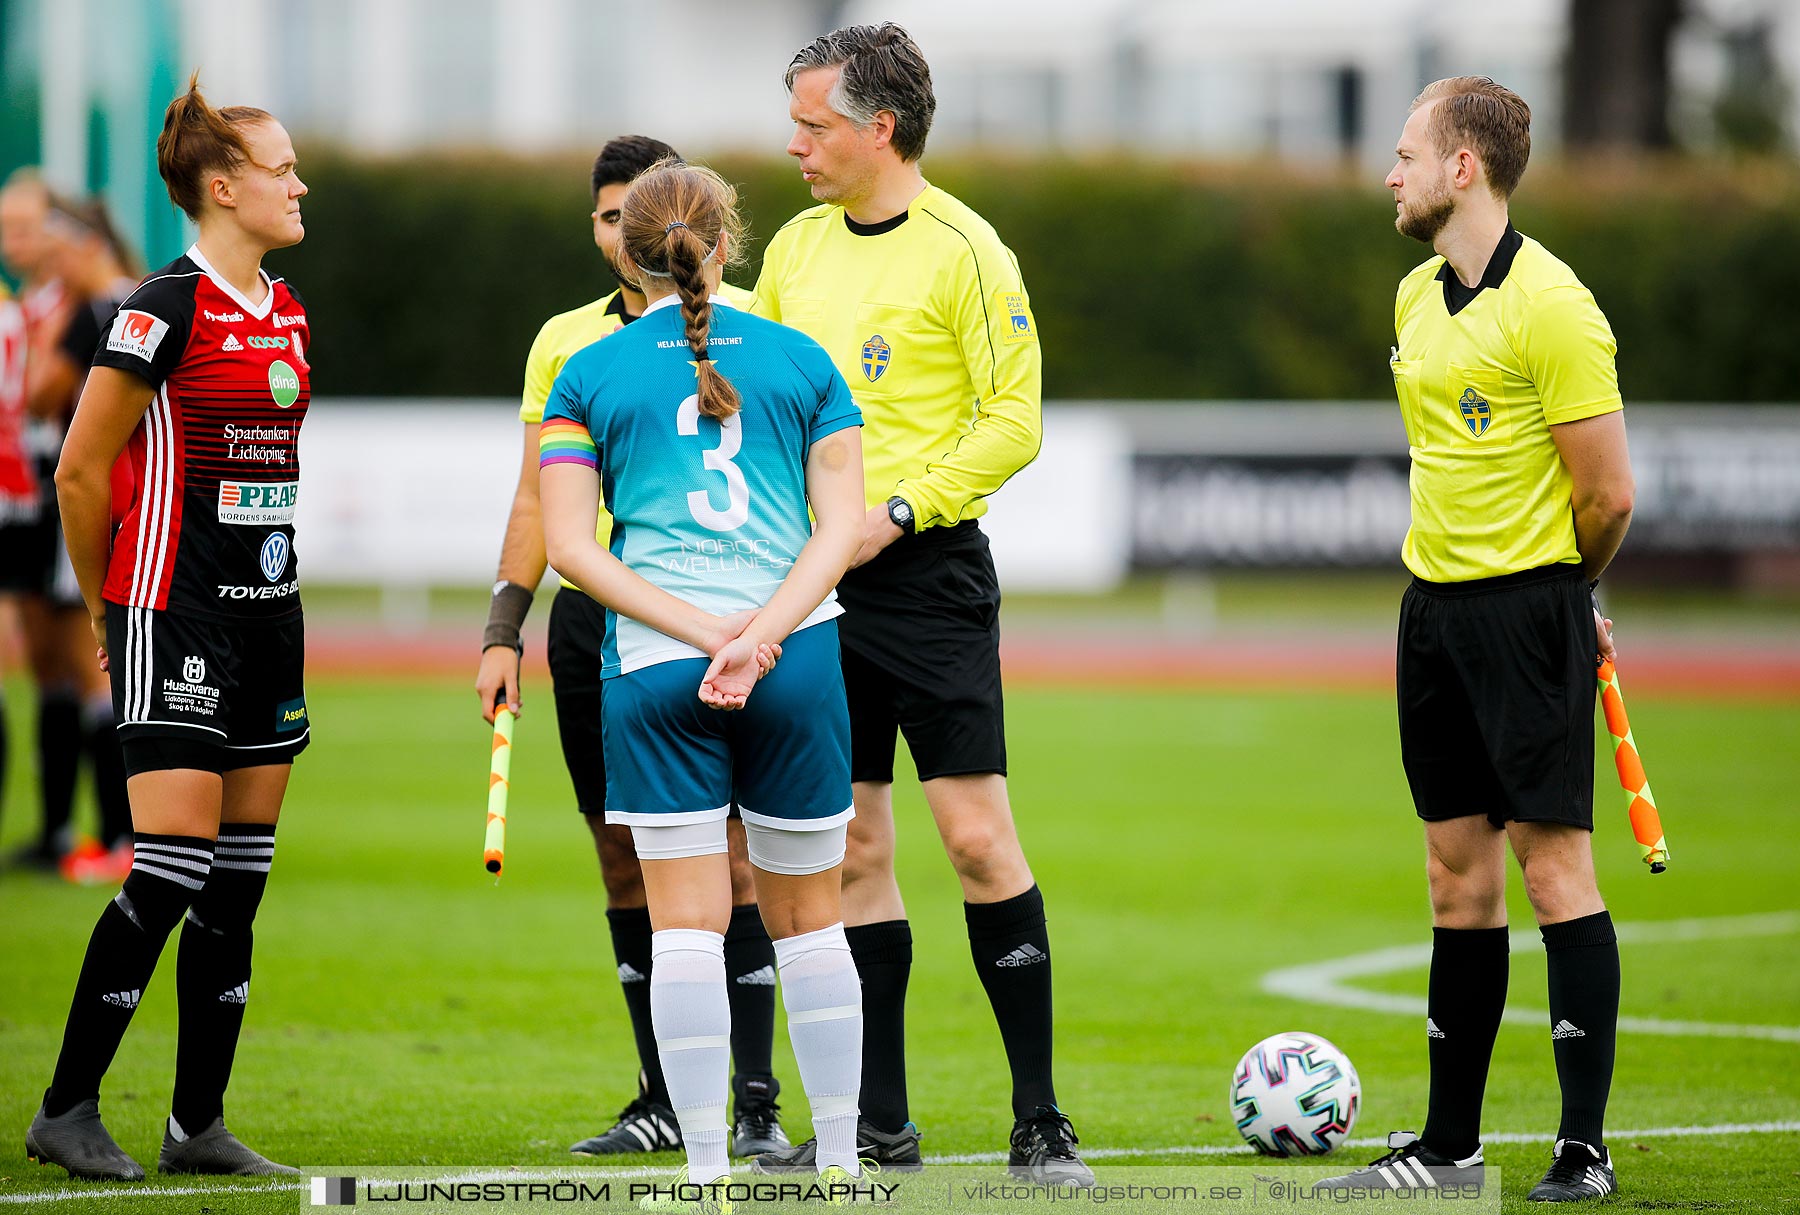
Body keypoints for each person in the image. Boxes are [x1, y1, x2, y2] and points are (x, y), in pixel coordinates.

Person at [749, 23, 1091, 1186]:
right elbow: (767, 402)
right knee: (851, 847)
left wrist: (895, 512)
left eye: (812, 124)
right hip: (812, 584)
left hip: (926, 576)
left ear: (877, 128)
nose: (795, 144)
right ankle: (875, 1125)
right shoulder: (792, 251)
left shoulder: (968, 249)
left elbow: (1014, 417)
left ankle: (1040, 1119)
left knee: (975, 837)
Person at [1316, 77, 1633, 1204]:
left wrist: (1564, 595)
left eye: (1407, 153)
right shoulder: (1412, 297)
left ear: (1465, 168)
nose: (1390, 174)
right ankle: (1449, 1152)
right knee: (1457, 880)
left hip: (1527, 614)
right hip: (1431, 613)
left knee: (1554, 874)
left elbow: (1608, 496)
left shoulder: (1554, 306)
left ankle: (1581, 1150)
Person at [536, 160, 867, 1198]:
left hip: (655, 664)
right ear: (727, 243)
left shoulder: (585, 374)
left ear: (628, 251)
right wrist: (762, 634)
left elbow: (571, 552)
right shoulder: (804, 358)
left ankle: (708, 1173)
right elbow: (841, 530)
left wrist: (698, 630)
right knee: (813, 923)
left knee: (682, 925)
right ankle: (846, 1166)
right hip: (797, 657)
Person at [474, 135, 788, 1158]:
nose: (622, 236)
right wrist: (501, 628)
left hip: (716, 617)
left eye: (633, 218)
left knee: (734, 859)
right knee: (624, 859)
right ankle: (660, 1096)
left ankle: (753, 1099)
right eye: (606, 216)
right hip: (591, 626)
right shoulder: (566, 342)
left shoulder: (752, 332)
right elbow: (537, 497)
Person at [25, 75, 313, 1182]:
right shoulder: (162, 306)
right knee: (171, 871)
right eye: (280, 166)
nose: (299, 182)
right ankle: (66, 1108)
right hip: (173, 615)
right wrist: (114, 606)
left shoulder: (282, 306)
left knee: (239, 880)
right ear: (222, 186)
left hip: (268, 621)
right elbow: (80, 471)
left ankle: (198, 1125)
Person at [31, 197, 142, 882]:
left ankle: (119, 839)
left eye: (51, 247)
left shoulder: (90, 313)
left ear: (84, 246)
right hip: (145, 506)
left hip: (97, 506)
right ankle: (121, 836)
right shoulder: (144, 299)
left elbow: (42, 396)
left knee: (96, 673)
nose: (45, 261)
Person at [0, 171, 82, 872]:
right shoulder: (29, 302)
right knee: (41, 659)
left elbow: (36, 397)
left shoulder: (67, 304)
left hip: (51, 494)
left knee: (75, 660)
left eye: (24, 227)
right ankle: (56, 827)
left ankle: (94, 831)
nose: (12, 242)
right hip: (25, 495)